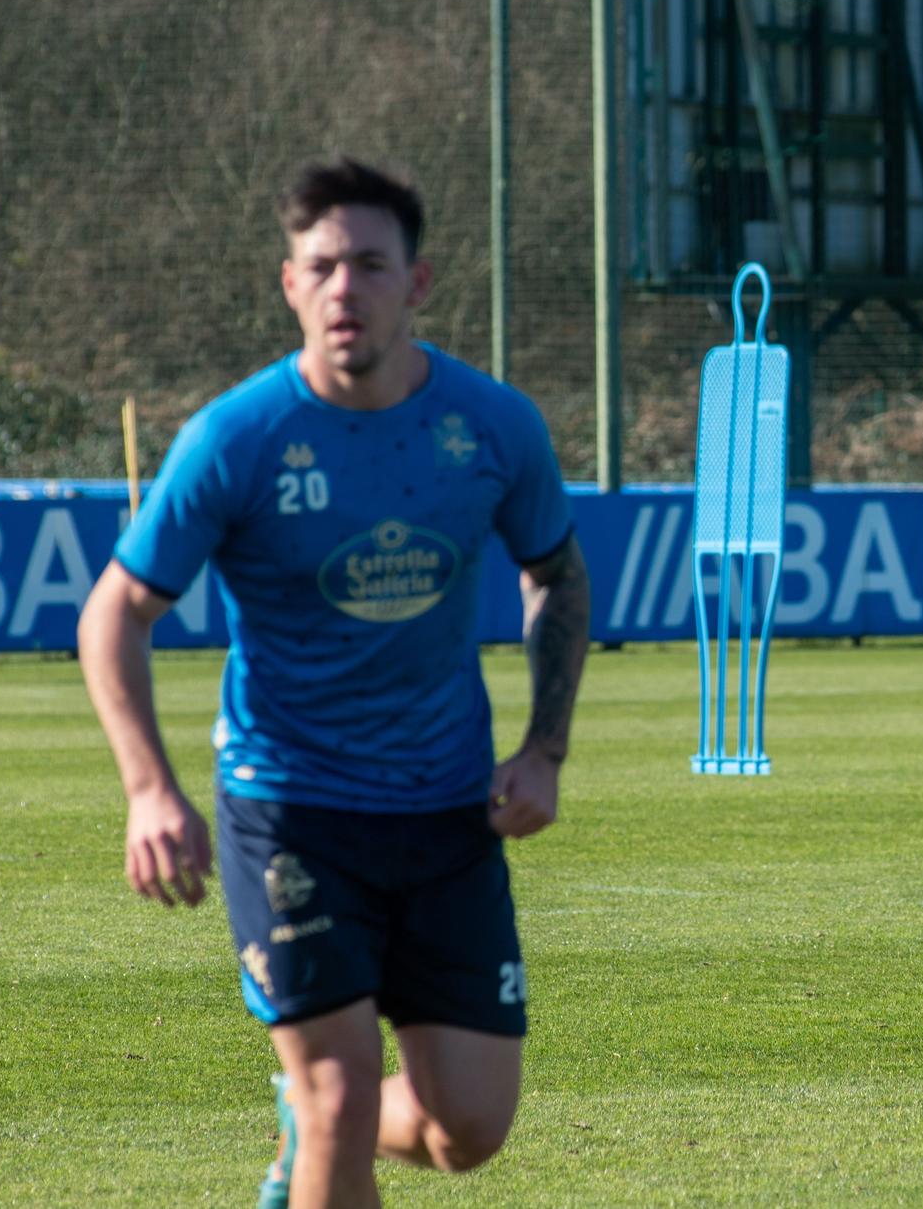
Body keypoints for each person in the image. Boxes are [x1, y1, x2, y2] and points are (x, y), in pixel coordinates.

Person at [78, 157, 591, 1207]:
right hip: (290, 812)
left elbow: (557, 573)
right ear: (289, 285)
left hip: (449, 815)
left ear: (420, 283)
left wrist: (544, 748)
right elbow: (113, 614)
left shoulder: (491, 427)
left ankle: (302, 1119)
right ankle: (315, 1112)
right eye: (322, 266)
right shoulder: (238, 437)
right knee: (341, 1094)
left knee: (469, 1129)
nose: (344, 288)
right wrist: (147, 789)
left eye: (369, 263)